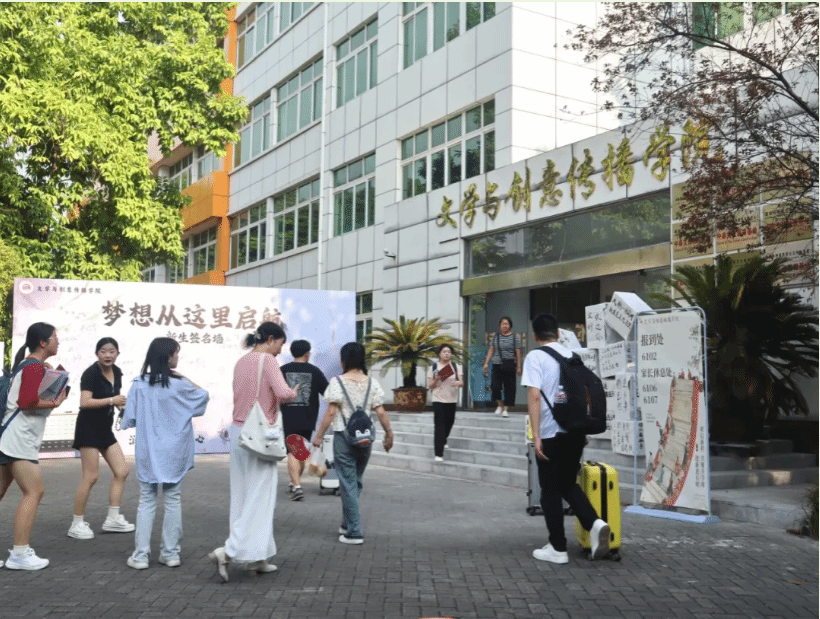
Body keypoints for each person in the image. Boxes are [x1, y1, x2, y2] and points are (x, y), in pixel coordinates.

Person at [209, 322, 298, 583]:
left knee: (243, 495)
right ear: (270, 339)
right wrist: (293, 392)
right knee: (260, 497)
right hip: (259, 436)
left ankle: (257, 558)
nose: (279, 351)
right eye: (280, 344)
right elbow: (282, 393)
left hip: (239, 432)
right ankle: (228, 552)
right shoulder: (268, 361)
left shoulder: (241, 361)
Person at [521, 313, 610, 564]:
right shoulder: (572, 356)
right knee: (568, 484)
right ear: (558, 334)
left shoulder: (535, 357)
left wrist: (536, 435)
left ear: (535, 336)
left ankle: (558, 548)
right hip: (575, 431)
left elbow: (534, 396)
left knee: (549, 491)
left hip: (551, 432)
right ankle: (595, 524)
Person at [121, 338, 209, 570]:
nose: (177, 357)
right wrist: (182, 377)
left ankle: (141, 556)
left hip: (148, 450)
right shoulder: (180, 385)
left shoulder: (139, 384)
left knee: (146, 500)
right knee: (172, 499)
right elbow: (203, 395)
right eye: (176, 353)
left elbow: (130, 418)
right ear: (169, 356)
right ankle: (170, 554)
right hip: (175, 451)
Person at [0, 322, 68, 570]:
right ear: (43, 342)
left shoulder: (29, 365)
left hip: (9, 437)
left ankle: (20, 553)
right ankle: (19, 554)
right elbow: (27, 401)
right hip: (18, 439)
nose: (57, 341)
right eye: (54, 337)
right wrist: (54, 403)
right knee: (34, 492)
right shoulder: (34, 367)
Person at [312, 342, 394, 545]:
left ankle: (355, 532)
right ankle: (347, 523)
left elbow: (331, 412)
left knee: (348, 483)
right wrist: (389, 433)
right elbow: (381, 411)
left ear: (343, 361)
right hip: (365, 440)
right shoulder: (372, 383)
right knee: (354, 482)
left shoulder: (337, 382)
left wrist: (319, 436)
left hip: (344, 438)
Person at [67, 337, 134, 540]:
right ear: (97, 353)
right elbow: (85, 402)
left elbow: (117, 400)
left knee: (122, 471)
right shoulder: (91, 373)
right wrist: (112, 400)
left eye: (112, 351)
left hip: (105, 429)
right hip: (88, 429)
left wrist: (126, 409)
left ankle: (113, 519)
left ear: (117, 353)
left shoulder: (117, 372)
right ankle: (76, 524)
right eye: (103, 351)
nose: (107, 355)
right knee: (91, 477)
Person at [279, 340, 329, 501]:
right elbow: (328, 393)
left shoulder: (283, 370)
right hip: (308, 418)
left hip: (288, 418)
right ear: (307, 354)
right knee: (298, 452)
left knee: (294, 452)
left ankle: (296, 486)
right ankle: (295, 484)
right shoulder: (314, 371)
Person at [427, 344, 463, 462]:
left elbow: (461, 382)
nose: (447, 353)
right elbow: (430, 386)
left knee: (449, 422)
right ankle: (438, 453)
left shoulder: (455, 366)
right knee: (439, 426)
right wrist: (436, 379)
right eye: (444, 351)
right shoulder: (434, 367)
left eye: (448, 352)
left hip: (451, 399)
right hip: (438, 399)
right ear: (439, 354)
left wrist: (458, 383)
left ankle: (443, 439)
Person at [482, 316, 521, 418]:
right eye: (503, 324)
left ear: (510, 326)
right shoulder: (496, 337)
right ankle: (500, 404)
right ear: (500, 325)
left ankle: (506, 409)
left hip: (510, 364)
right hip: (497, 364)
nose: (505, 325)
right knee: (495, 386)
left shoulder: (515, 337)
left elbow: (518, 352)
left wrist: (518, 366)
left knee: (510, 387)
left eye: (506, 324)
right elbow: (491, 350)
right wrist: (486, 363)